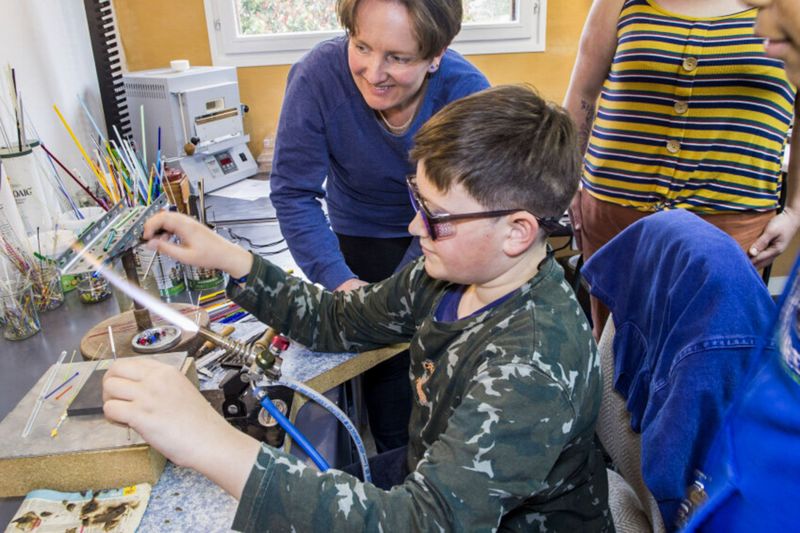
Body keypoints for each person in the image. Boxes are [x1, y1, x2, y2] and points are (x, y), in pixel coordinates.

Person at [103, 85, 613, 531]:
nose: (414, 228)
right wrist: (230, 258)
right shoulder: (448, 277)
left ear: (517, 232)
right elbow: (340, 319)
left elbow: (421, 524)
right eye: (417, 201)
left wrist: (207, 441)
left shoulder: (531, 363)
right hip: (430, 483)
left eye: (435, 217)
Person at [269, 0, 489, 452]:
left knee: (436, 369)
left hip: (443, 231)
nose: (373, 73)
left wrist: (399, 293)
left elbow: (462, 212)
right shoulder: (316, 78)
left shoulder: (467, 95)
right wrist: (341, 281)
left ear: (435, 55)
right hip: (358, 233)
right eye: (361, 46)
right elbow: (293, 193)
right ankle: (392, 461)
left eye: (398, 58)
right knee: (384, 379)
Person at [563, 0, 799, 338]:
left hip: (729, 223)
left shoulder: (787, 9)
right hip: (616, 215)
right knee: (618, 349)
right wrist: (567, 179)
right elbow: (582, 92)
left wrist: (794, 211)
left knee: (710, 348)